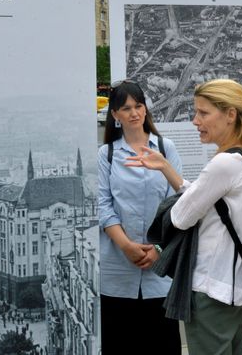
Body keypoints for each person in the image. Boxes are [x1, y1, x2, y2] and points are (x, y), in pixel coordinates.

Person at [126, 79, 242, 355]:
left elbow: (181, 216)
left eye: (203, 113)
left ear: (230, 115)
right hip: (234, 287)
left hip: (211, 291)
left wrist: (170, 208)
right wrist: (167, 168)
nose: (195, 120)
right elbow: (210, 202)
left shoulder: (224, 163)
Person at [98, 80, 183, 354]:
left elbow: (179, 206)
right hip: (118, 268)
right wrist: (127, 246)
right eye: (126, 108)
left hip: (160, 267)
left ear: (146, 109)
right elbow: (103, 206)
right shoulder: (107, 154)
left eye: (138, 106)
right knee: (120, 343)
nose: (134, 113)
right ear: (115, 115)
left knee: (162, 344)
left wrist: (158, 249)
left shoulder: (165, 148)